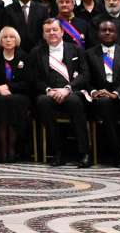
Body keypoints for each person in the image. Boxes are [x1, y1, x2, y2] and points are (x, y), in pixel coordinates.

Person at [30, 16, 92, 167]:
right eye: (47, 31)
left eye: (55, 29)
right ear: (43, 34)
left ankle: (84, 153)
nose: (51, 33)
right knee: (42, 102)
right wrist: (48, 90)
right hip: (50, 93)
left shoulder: (76, 49)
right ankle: (58, 152)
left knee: (74, 101)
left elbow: (85, 74)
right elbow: (34, 78)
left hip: (72, 91)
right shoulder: (37, 52)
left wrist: (67, 89)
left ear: (62, 32)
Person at [85, 17, 120, 167]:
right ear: (98, 33)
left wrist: (116, 93)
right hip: (101, 97)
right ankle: (116, 152)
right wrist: (94, 92)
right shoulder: (89, 54)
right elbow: (86, 78)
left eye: (111, 30)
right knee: (104, 102)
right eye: (104, 30)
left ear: (116, 33)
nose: (107, 32)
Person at [0, 25, 33, 162]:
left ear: (16, 40)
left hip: (20, 95)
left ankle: (12, 149)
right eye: (5, 37)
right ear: (0, 41)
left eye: (11, 37)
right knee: (3, 102)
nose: (8, 40)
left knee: (12, 102)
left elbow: (29, 82)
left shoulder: (25, 57)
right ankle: (3, 149)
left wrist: (8, 87)